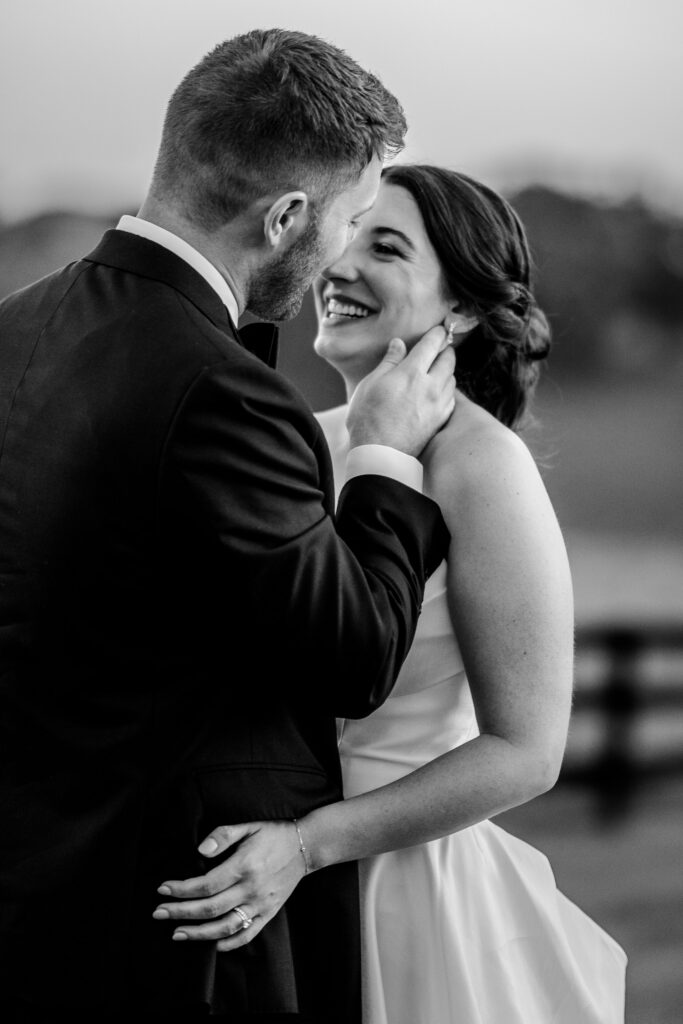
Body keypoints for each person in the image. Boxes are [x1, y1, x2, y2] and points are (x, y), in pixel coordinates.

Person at [0, 33, 460, 1021]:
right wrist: (383, 454)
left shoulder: (13, 329)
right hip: (176, 936)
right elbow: (351, 654)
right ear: (287, 215)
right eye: (345, 221)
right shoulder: (221, 395)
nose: (339, 252)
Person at [154, 165, 628, 1023]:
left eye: (389, 246)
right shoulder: (308, 438)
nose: (339, 265)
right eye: (350, 233)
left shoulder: (483, 468)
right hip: (264, 882)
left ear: (461, 308)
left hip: (400, 890)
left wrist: (308, 845)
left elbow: (527, 750)